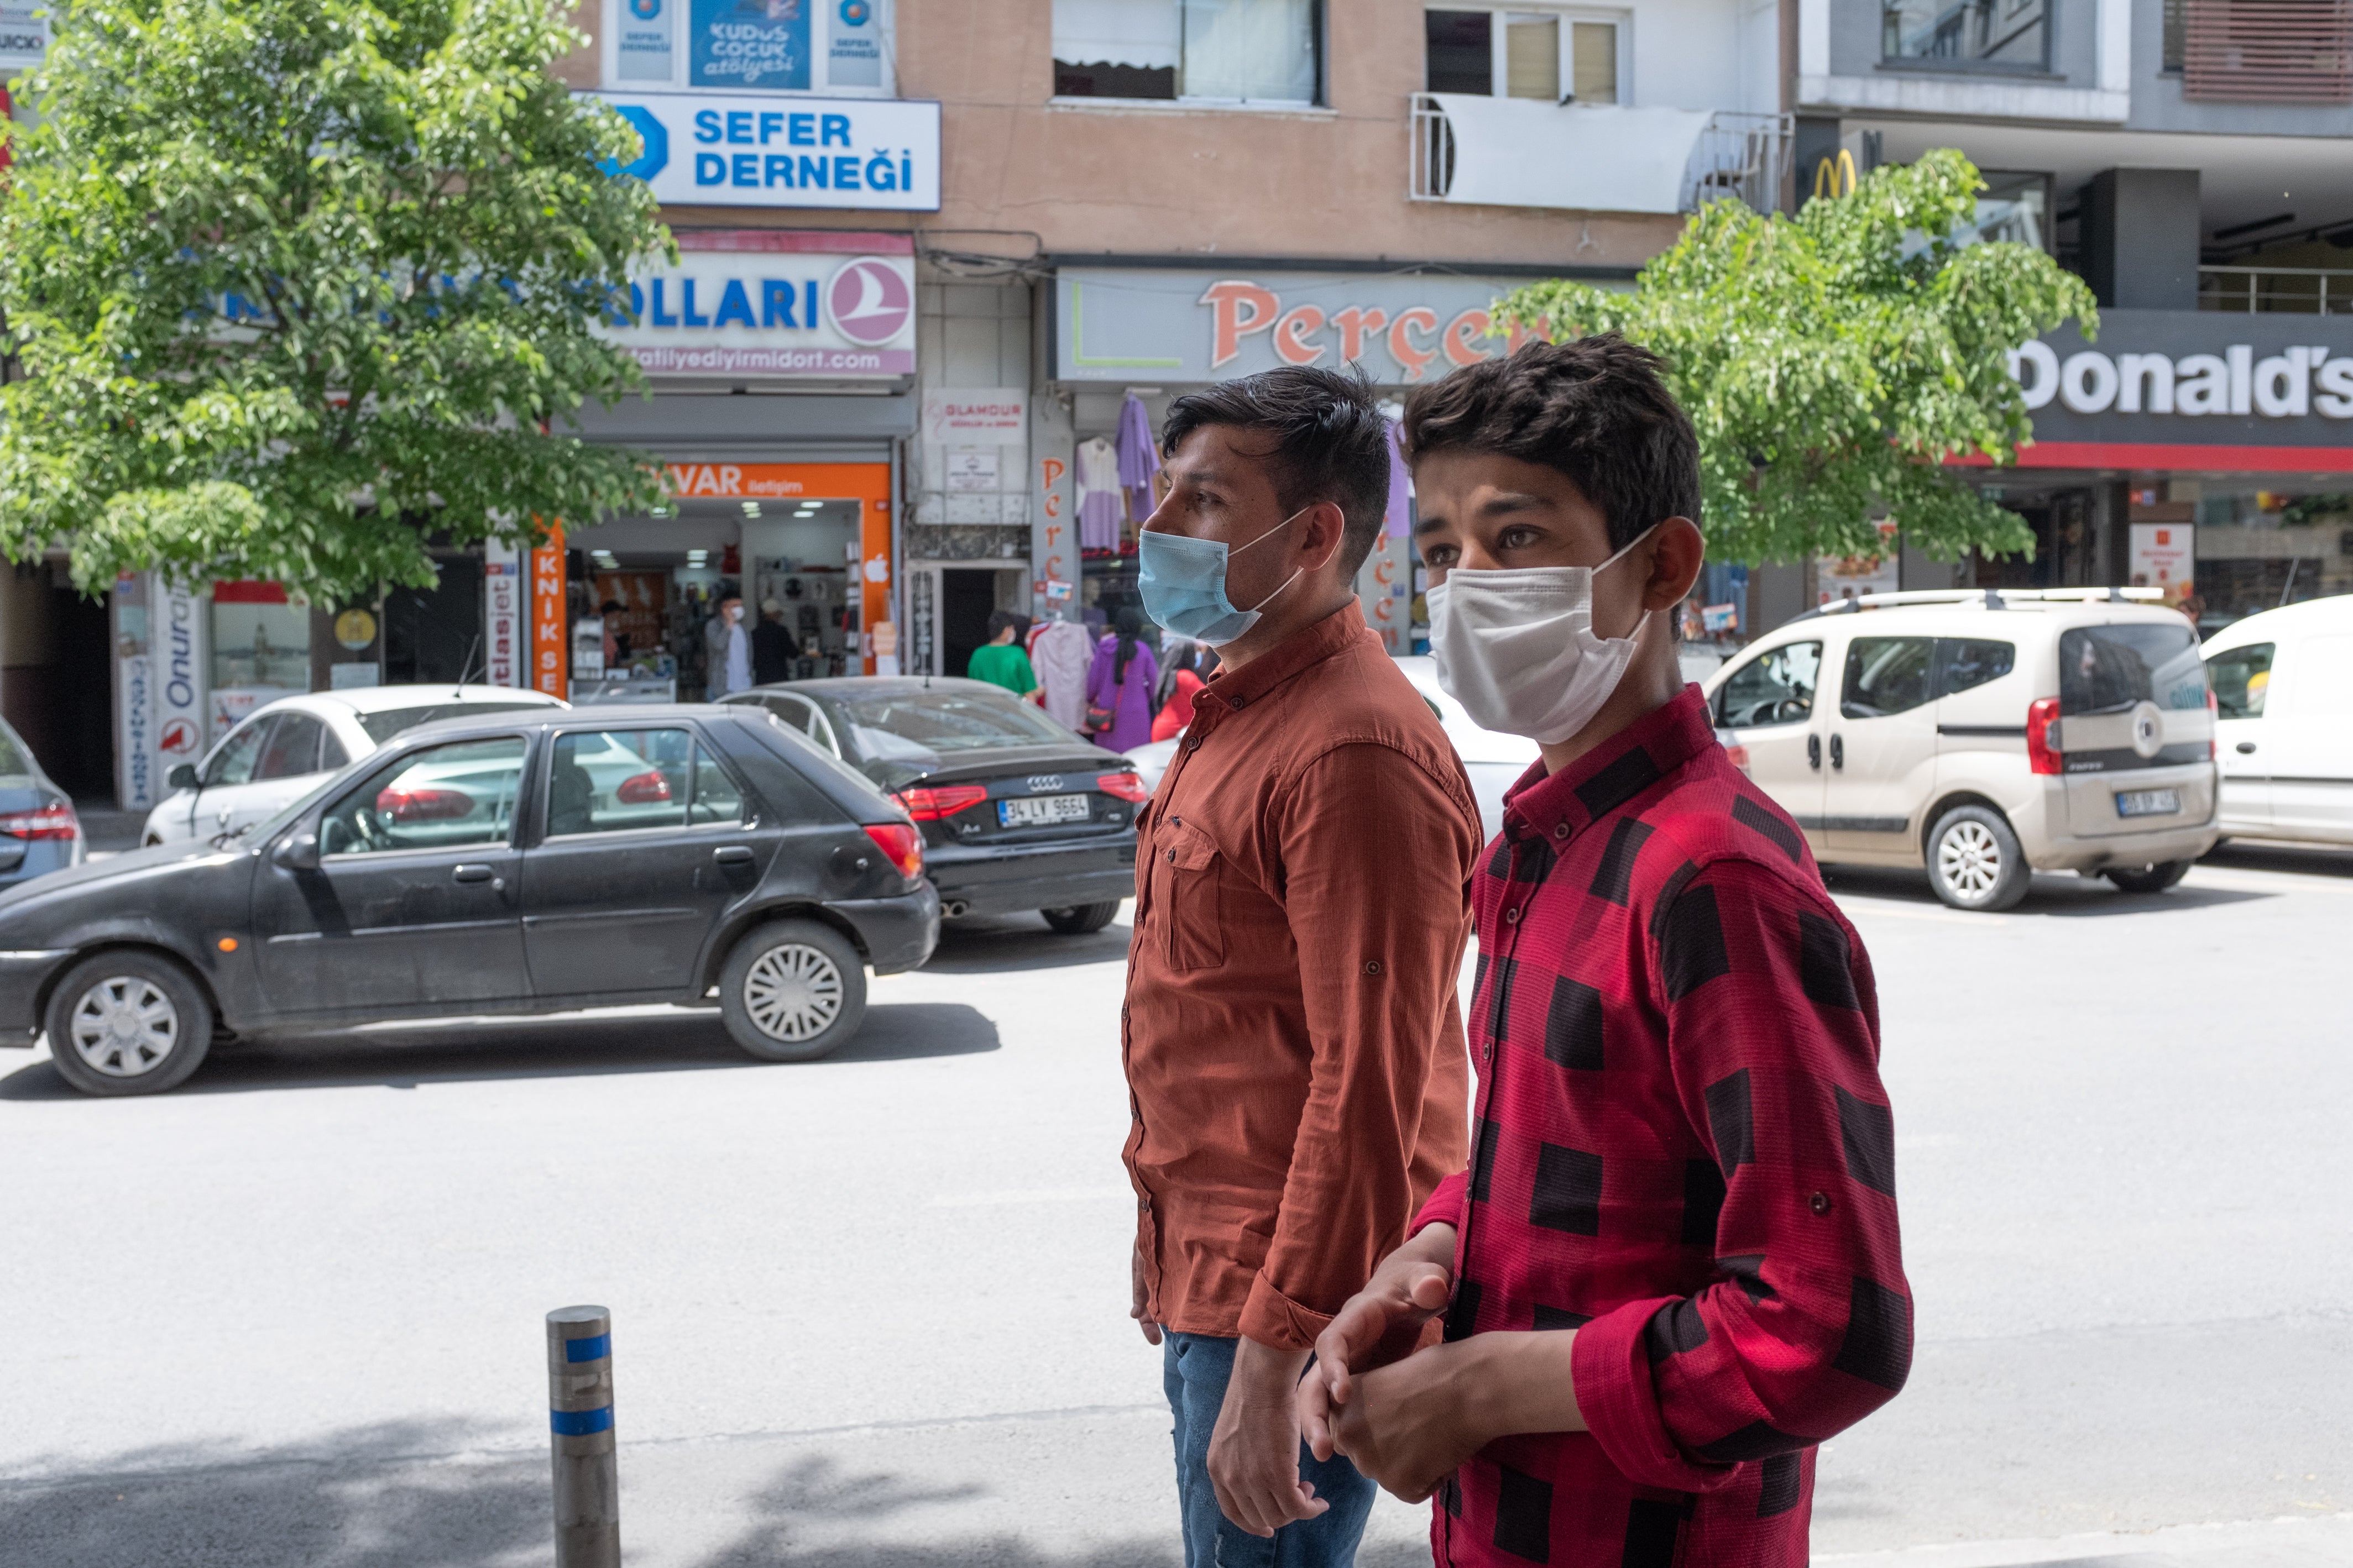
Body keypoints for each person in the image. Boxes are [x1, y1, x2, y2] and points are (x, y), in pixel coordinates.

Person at [1296, 336, 1910, 1568]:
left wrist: (1477, 1391)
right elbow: (1544, 1162)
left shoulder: (1711, 876)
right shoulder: (1531, 842)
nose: (1466, 582)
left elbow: (1826, 1324)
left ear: (1660, 566)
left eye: (1515, 538)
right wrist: (1427, 1256)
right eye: (1439, 552)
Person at [1125, 364, 1484, 1568]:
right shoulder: (1240, 709)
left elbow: (1371, 1090)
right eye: (1164, 493)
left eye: (1205, 503)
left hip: (1282, 1301)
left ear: (1314, 534)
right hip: (1215, 1278)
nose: (1159, 527)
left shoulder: (1352, 748)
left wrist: (1276, 1355)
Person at [1085, 608, 1158, 751]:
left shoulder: (1103, 648)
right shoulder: (1143, 650)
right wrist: (1147, 698)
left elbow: (1093, 680)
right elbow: (1154, 680)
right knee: (1137, 755)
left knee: (1109, 756)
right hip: (1137, 711)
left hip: (1108, 710)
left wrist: (1090, 699)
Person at [967, 609, 1042, 699]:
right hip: (1013, 710)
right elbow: (1029, 694)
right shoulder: (1018, 654)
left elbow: (972, 689)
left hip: (985, 710)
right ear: (1006, 630)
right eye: (1013, 629)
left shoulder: (978, 654)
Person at [1151, 641, 1212, 742]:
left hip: (1160, 731)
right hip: (1178, 734)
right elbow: (1210, 698)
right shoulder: (1185, 676)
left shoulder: (1164, 675)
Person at [704, 595, 750, 699]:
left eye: (740, 605)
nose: (739, 608)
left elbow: (749, 656)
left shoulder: (744, 628)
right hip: (722, 687)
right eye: (735, 605)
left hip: (744, 686)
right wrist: (729, 625)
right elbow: (719, 645)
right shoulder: (714, 625)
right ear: (724, 608)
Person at [751, 599, 796, 686]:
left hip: (762, 677)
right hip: (780, 676)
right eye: (779, 613)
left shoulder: (755, 633)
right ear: (773, 614)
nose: (780, 615)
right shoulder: (781, 632)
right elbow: (793, 653)